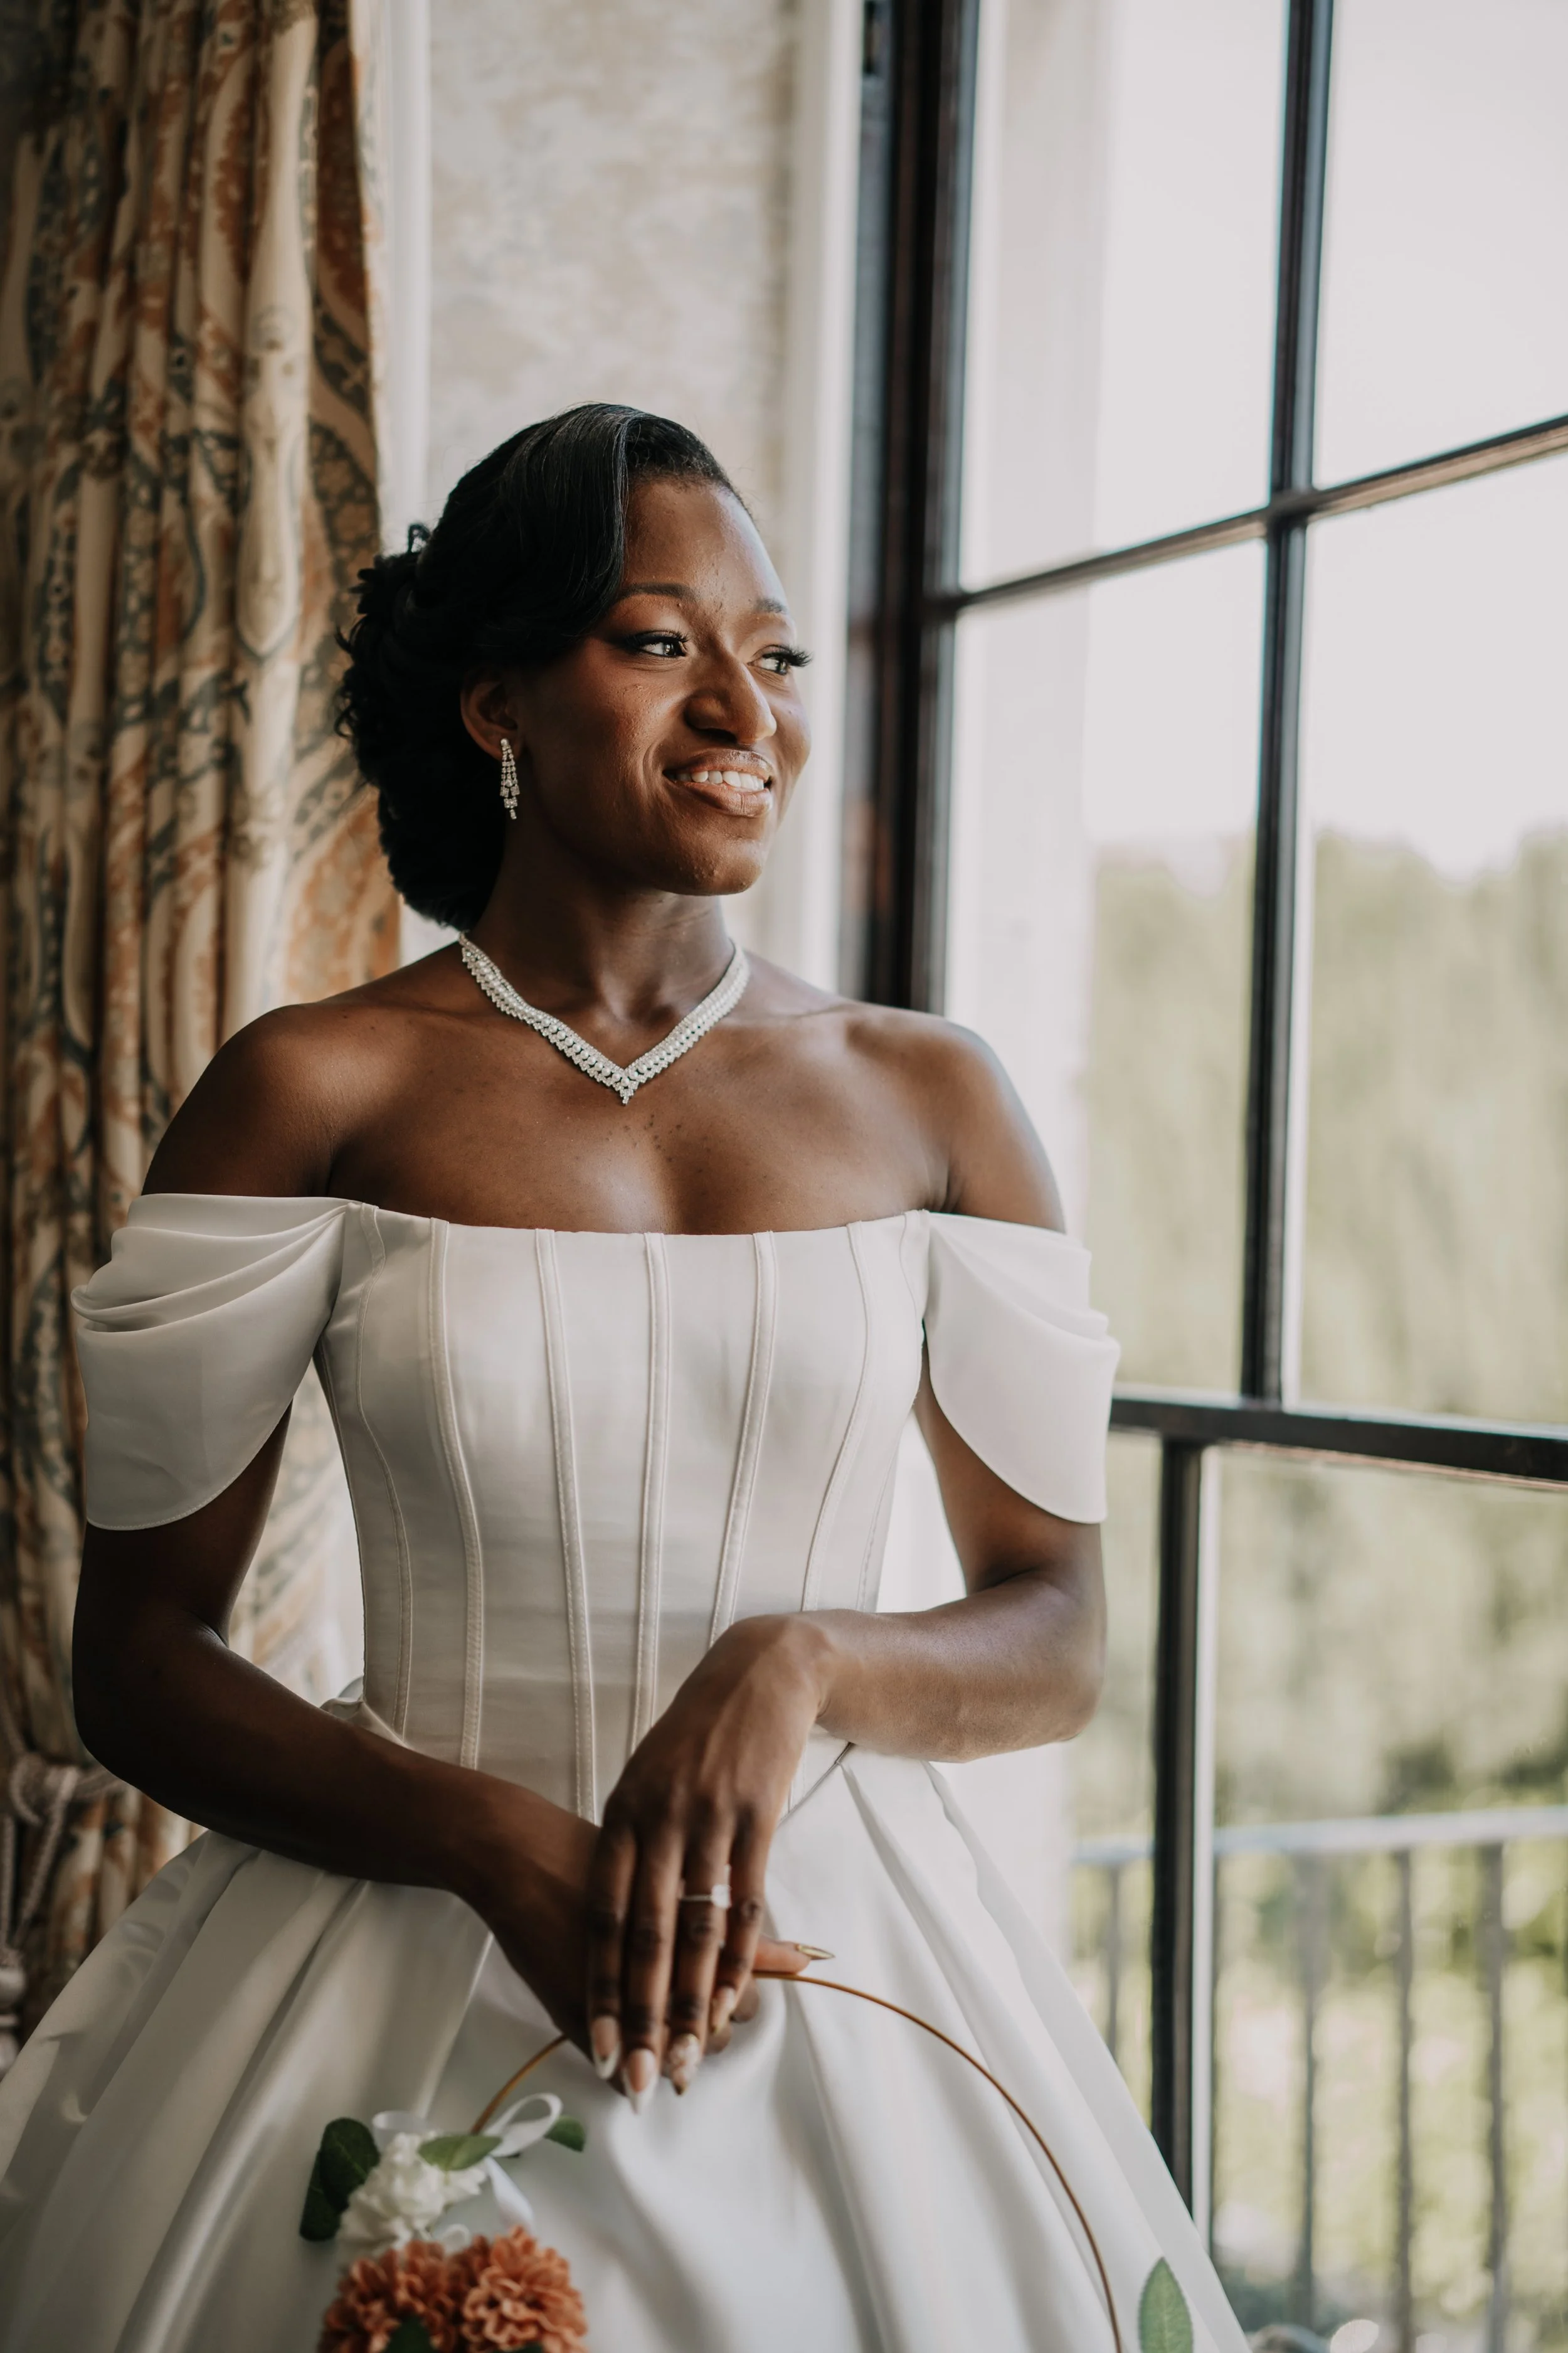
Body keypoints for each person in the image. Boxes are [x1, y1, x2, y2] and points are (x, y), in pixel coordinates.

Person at [0, 405, 1246, 2351]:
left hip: (852, 1978)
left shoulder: (931, 1097)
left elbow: (1060, 1629)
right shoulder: (311, 1088)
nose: (745, 704)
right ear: (498, 703)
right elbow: (138, 1660)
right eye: (663, 641)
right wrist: (492, 1841)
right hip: (395, 1938)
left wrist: (804, 1659)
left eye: (773, 652)